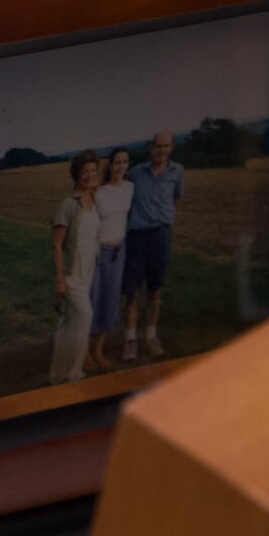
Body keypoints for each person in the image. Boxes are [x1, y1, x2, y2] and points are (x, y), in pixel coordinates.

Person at [120, 128, 183, 360]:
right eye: (159, 146)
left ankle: (151, 336)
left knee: (155, 291)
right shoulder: (136, 173)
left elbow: (175, 199)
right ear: (152, 147)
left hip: (161, 236)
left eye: (167, 146)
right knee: (132, 292)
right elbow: (118, 190)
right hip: (137, 238)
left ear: (172, 148)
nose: (162, 151)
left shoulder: (178, 172)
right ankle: (130, 340)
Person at [49, 151, 103, 386]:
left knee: (68, 324)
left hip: (88, 271)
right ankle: (73, 374)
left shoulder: (93, 199)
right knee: (85, 316)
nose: (89, 175)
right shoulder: (67, 205)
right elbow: (57, 245)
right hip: (72, 274)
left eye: (93, 170)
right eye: (85, 171)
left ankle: (59, 375)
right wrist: (59, 279)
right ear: (76, 175)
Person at [86, 148, 133, 374]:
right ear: (110, 165)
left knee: (111, 301)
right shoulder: (99, 192)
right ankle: (84, 352)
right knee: (92, 301)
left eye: (125, 162)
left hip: (119, 251)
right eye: (117, 162)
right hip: (100, 252)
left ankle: (98, 350)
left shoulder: (131, 188)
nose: (121, 166)